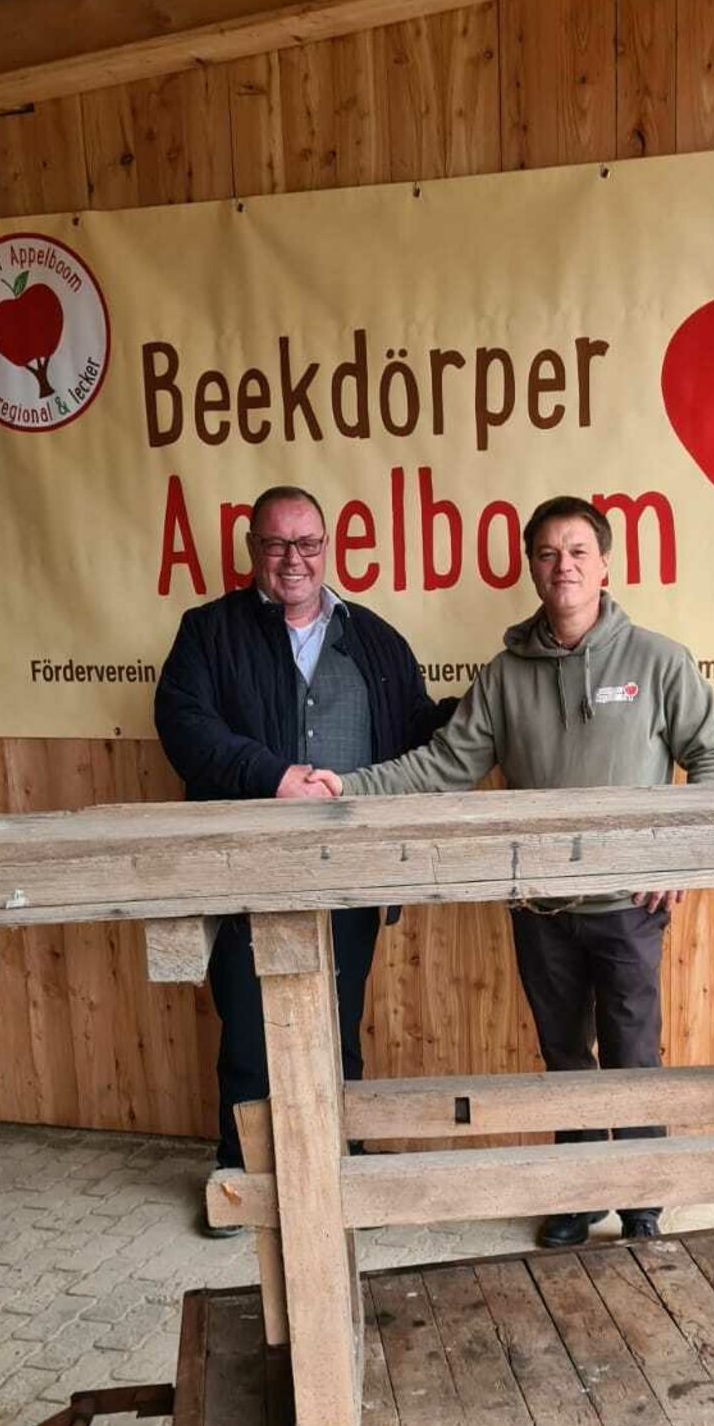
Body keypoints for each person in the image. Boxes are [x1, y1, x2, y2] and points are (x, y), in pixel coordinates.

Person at [316, 494, 714, 1249]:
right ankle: (575, 1194)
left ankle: (643, 1199)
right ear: (533, 571)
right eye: (548, 554)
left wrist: (681, 853)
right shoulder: (506, 675)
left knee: (634, 1054)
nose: (563, 565)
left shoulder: (658, 660)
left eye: (578, 551)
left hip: (627, 907)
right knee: (565, 1056)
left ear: (606, 565)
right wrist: (350, 786)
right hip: (540, 909)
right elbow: (444, 765)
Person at [154, 483, 453, 1230]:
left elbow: (421, 734)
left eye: (308, 543)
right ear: (252, 550)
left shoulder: (377, 640)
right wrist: (271, 776)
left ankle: (334, 1174)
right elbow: (183, 725)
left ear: (329, 548)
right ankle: (242, 1184)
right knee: (251, 1032)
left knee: (337, 1026)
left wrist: (493, 709)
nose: (294, 559)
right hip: (246, 871)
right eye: (277, 544)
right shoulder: (208, 632)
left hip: (348, 876)